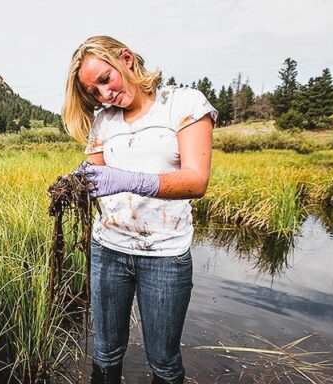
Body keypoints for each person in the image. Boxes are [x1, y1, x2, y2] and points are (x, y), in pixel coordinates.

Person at [62, 36, 217, 384]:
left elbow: (196, 181)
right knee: (104, 352)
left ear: (126, 59)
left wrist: (131, 180)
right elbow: (93, 173)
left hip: (165, 254)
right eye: (93, 93)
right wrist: (72, 184)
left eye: (105, 80)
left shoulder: (183, 103)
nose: (104, 96)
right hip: (108, 251)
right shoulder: (105, 122)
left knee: (163, 360)